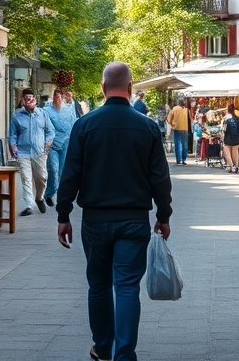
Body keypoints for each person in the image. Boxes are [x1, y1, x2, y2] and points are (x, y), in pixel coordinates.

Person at [57, 61, 172, 361]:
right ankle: (124, 355)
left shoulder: (84, 125)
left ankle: (102, 347)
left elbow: (70, 173)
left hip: (95, 221)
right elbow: (160, 177)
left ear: (103, 88)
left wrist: (63, 214)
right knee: (126, 287)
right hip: (134, 221)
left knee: (98, 285)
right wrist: (163, 216)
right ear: (131, 88)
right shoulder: (148, 127)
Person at [8, 88, 55, 215]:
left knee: (42, 178)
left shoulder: (42, 114)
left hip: (40, 152)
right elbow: (12, 135)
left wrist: (47, 146)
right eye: (26, 98)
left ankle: (39, 198)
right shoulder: (16, 117)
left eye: (31, 97)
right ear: (22, 100)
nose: (29, 100)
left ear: (35, 98)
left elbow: (50, 131)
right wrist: (13, 146)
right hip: (22, 153)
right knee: (26, 178)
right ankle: (29, 205)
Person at [43, 89, 78, 207]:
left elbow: (74, 124)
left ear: (62, 97)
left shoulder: (69, 110)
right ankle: (49, 193)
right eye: (55, 97)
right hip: (52, 144)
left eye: (59, 97)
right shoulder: (46, 111)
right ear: (53, 97)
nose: (57, 99)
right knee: (53, 169)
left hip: (65, 143)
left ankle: (61, 195)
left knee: (63, 171)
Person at [220, 104, 239, 173]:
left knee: (227, 152)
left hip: (227, 137)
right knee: (235, 152)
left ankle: (231, 166)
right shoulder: (237, 118)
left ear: (228, 110)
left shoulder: (225, 118)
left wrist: (222, 138)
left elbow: (223, 129)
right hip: (236, 137)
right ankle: (236, 166)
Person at [167, 99, 190, 165]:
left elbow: (169, 119)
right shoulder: (187, 110)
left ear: (178, 103)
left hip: (177, 129)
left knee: (178, 145)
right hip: (185, 129)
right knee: (184, 144)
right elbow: (190, 120)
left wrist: (172, 124)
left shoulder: (174, 109)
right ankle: (183, 159)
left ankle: (178, 160)